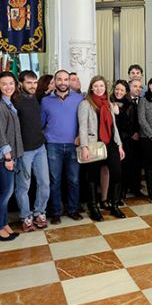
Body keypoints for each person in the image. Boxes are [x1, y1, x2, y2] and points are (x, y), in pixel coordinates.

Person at [78, 76, 126, 221]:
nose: (99, 89)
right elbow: (83, 127)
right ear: (91, 88)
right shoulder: (85, 104)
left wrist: (119, 145)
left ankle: (114, 204)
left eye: (102, 86)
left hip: (110, 143)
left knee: (117, 173)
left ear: (105, 88)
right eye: (96, 86)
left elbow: (114, 127)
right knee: (92, 175)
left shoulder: (108, 104)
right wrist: (84, 147)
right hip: (94, 143)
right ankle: (93, 207)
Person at [41, 70, 84, 224]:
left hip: (74, 144)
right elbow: (41, 123)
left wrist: (80, 135)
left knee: (73, 180)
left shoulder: (79, 98)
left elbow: (83, 121)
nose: (63, 82)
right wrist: (48, 136)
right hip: (53, 145)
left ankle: (73, 210)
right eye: (60, 79)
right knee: (55, 180)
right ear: (55, 81)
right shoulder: (45, 101)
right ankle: (56, 212)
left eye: (66, 79)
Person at [0, 71, 23, 241]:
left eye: (11, 83)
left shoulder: (8, 103)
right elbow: (0, 134)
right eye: (4, 83)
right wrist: (8, 157)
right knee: (6, 192)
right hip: (2, 158)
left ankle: (4, 222)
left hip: (9, 156)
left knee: (8, 191)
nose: (8, 87)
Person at [14, 70, 50, 232]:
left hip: (40, 147)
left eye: (35, 82)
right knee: (24, 185)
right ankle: (25, 216)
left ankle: (39, 212)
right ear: (21, 83)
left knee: (44, 183)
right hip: (24, 150)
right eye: (29, 82)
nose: (32, 86)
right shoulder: (15, 100)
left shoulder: (37, 97)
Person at [112, 80, 141, 200]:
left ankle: (121, 193)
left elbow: (130, 125)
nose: (119, 92)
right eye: (117, 89)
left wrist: (119, 113)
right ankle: (111, 195)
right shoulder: (108, 102)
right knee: (113, 168)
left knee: (125, 168)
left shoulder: (130, 105)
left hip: (125, 140)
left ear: (126, 92)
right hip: (110, 139)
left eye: (122, 90)